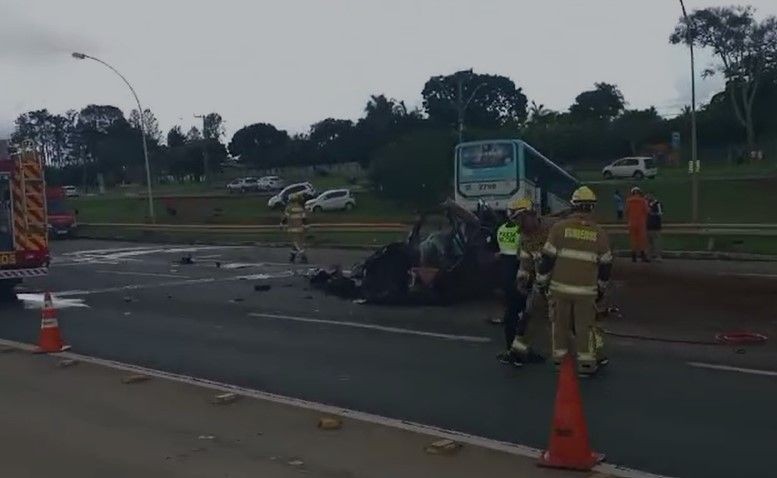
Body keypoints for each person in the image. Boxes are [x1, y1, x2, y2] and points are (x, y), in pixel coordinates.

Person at [536, 186, 613, 377]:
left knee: (559, 326)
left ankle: (560, 361)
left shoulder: (559, 228)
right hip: (586, 292)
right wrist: (601, 288)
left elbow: (547, 260)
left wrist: (541, 282)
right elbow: (606, 265)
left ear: (572, 206)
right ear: (592, 208)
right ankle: (586, 365)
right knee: (584, 328)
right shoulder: (599, 233)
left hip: (559, 289)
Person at [512, 198, 550, 364]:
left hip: (561, 284)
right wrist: (521, 281)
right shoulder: (524, 238)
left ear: (530, 215)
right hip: (541, 286)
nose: (518, 225)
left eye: (519, 220)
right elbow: (525, 264)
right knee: (528, 317)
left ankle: (585, 356)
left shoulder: (553, 229)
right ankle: (518, 353)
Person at [495, 198, 526, 367]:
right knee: (521, 312)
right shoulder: (521, 231)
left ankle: (511, 347)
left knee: (511, 312)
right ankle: (518, 349)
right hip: (518, 269)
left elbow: (498, 250)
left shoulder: (501, 229)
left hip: (505, 271)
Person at [282, 193, 308, 264]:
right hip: (300, 228)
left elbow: (285, 218)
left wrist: (282, 225)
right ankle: (292, 257)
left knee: (297, 244)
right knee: (296, 243)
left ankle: (303, 257)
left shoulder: (289, 208)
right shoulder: (300, 208)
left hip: (292, 228)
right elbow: (304, 218)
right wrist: (305, 226)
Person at [625, 186, 650, 262]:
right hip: (641, 223)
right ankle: (643, 256)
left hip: (632, 223)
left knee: (633, 240)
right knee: (642, 240)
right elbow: (647, 210)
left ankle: (634, 256)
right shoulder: (643, 201)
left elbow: (626, 211)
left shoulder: (628, 201)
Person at [646, 193, 663, 262]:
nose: (648, 197)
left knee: (656, 242)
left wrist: (651, 213)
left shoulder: (658, 204)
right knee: (649, 242)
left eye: (649, 196)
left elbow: (660, 213)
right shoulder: (647, 204)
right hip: (648, 226)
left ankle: (658, 256)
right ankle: (649, 256)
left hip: (656, 226)